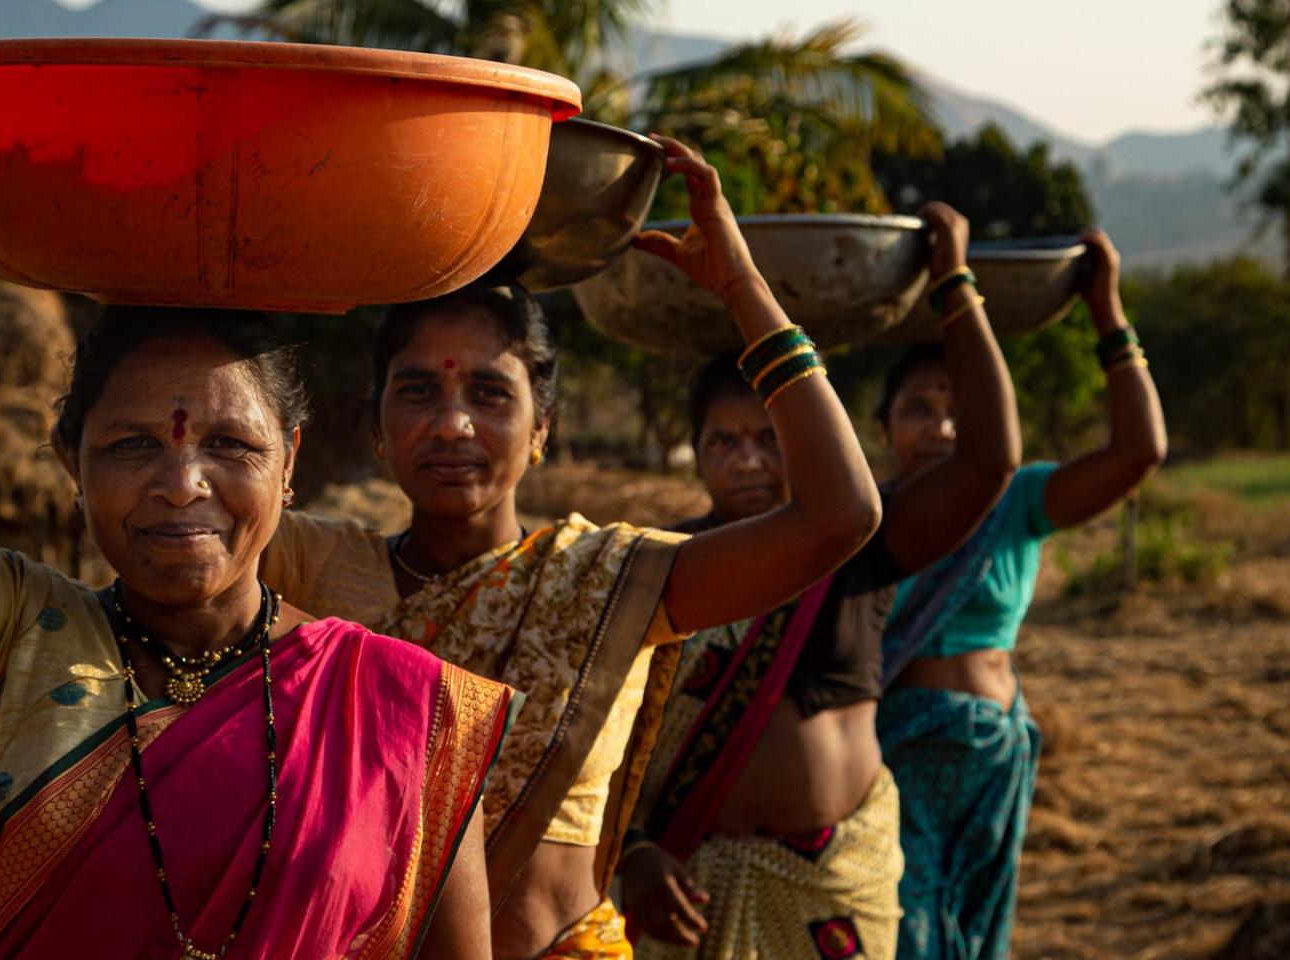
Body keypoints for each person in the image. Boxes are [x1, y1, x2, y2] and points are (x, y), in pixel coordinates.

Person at [0, 23, 515, 959]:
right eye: (131, 445)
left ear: (291, 460)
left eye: (231, 443)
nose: (181, 484)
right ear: (71, 460)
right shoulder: (17, 645)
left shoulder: (405, 710)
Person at [261, 137, 884, 959]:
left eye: (489, 393)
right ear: (377, 429)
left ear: (542, 429)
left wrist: (743, 288)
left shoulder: (614, 578)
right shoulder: (310, 565)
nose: (454, 424)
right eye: (418, 392)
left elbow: (839, 515)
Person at [619, 205, 1023, 960]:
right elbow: (604, 738)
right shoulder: (662, 564)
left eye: (771, 439)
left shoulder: (858, 539)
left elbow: (989, 461)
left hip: (835, 888)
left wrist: (954, 283)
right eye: (724, 441)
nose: (748, 460)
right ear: (696, 451)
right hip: (690, 892)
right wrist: (634, 849)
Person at [878, 231, 1167, 960]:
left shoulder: (1017, 500)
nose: (942, 426)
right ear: (884, 430)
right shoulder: (865, 518)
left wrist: (1106, 309)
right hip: (895, 757)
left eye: (958, 406)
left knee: (977, 934)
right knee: (906, 930)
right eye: (917, 408)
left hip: (994, 757)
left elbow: (1139, 451)